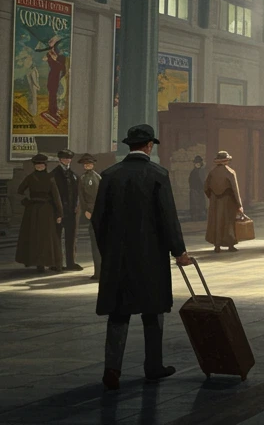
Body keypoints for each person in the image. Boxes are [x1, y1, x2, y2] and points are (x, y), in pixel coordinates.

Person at [92, 124, 192, 390]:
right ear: (149, 146)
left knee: (118, 314)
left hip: (118, 259)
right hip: (150, 257)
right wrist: (179, 251)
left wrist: (109, 250)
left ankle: (112, 370)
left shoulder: (109, 175)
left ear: (130, 146)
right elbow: (167, 218)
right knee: (153, 312)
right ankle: (153, 366)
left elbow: (98, 220)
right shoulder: (158, 174)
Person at [15, 153, 63, 272]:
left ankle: (50, 262)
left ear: (45, 165)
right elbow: (19, 191)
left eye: (41, 165)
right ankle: (37, 263)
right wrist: (26, 202)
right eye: (37, 165)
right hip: (32, 211)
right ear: (34, 166)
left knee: (47, 237)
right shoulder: (30, 178)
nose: (39, 166)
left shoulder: (50, 178)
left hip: (47, 211)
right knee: (34, 237)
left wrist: (59, 213)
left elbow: (56, 197)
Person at [204, 151, 243, 252]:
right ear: (227, 160)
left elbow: (205, 188)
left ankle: (217, 246)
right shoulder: (230, 172)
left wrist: (212, 197)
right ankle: (230, 245)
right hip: (228, 201)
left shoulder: (212, 172)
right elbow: (235, 190)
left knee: (216, 223)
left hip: (215, 202)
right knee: (228, 222)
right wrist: (239, 204)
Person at [50, 149, 82, 271]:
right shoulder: (53, 174)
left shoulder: (73, 175)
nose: (67, 161)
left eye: (68, 159)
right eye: (64, 159)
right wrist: (57, 211)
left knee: (71, 237)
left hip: (71, 212)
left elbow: (77, 193)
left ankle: (70, 263)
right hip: (58, 212)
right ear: (60, 160)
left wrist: (76, 206)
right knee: (56, 237)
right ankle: (56, 264)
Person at [78, 153, 102, 279]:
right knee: (94, 242)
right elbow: (82, 197)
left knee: (98, 242)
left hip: (97, 210)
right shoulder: (82, 178)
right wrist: (85, 209)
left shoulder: (96, 177)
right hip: (90, 210)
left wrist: (91, 210)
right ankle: (98, 271)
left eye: (89, 163)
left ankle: (100, 272)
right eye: (85, 164)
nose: (87, 165)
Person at [188, 156, 206, 222]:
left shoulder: (202, 171)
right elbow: (190, 181)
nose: (197, 164)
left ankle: (200, 216)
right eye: (196, 162)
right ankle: (195, 217)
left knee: (201, 203)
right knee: (194, 204)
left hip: (200, 189)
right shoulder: (193, 172)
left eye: (199, 162)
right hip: (194, 189)